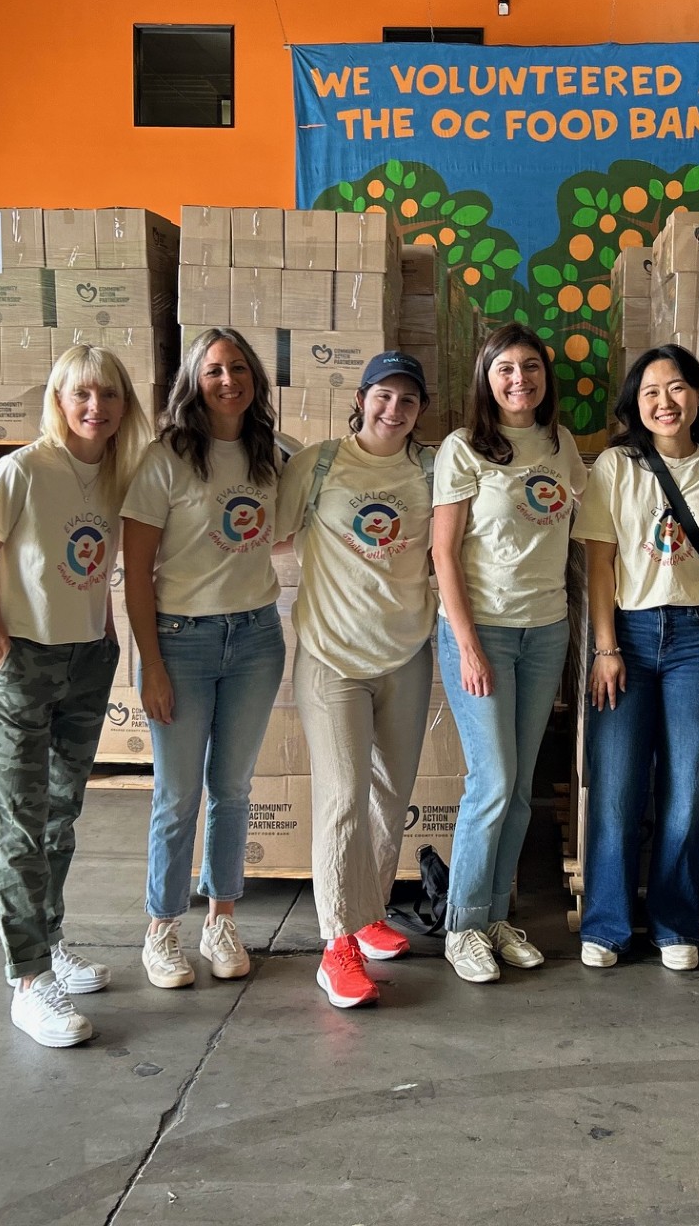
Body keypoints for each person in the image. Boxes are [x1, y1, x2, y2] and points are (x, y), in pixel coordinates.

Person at [0, 344, 151, 1048]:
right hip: (23, 658)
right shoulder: (24, 469)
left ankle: (51, 940)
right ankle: (28, 980)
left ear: (125, 404)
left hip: (85, 660)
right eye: (82, 394)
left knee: (60, 814)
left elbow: (101, 565)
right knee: (17, 821)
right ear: (60, 400)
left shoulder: (120, 476)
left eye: (109, 394)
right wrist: (1, 648)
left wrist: (106, 634)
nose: (96, 407)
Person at [574, 344, 699, 972]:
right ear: (636, 404)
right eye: (651, 391)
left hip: (697, 639)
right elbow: (599, 563)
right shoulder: (615, 467)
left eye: (677, 388)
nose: (665, 402)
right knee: (616, 788)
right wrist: (604, 647)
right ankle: (606, 924)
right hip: (625, 634)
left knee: (686, 789)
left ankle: (675, 923)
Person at [122, 329, 287, 991]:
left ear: (255, 379)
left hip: (256, 638)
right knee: (177, 794)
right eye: (214, 370)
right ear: (194, 380)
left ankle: (221, 919)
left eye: (239, 368)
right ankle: (162, 927)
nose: (228, 381)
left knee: (233, 790)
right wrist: (151, 663)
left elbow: (286, 526)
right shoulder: (164, 458)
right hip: (181, 641)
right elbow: (136, 573)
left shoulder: (268, 453)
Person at [275, 350, 437, 1009]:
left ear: (419, 410)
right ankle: (336, 944)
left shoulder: (430, 469)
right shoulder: (318, 465)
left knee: (389, 793)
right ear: (362, 397)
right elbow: (273, 533)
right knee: (343, 794)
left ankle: (367, 912)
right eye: (383, 396)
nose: (393, 409)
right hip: (332, 657)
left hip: (405, 653)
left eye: (407, 399)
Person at [431, 324, 586, 983]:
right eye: (505, 369)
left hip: (544, 630)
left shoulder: (560, 444)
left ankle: (496, 915)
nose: (520, 379)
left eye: (530, 367)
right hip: (483, 632)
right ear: (486, 379)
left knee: (520, 788)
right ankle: (462, 926)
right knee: (491, 782)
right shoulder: (463, 448)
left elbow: (585, 517)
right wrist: (468, 645)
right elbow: (443, 553)